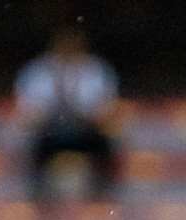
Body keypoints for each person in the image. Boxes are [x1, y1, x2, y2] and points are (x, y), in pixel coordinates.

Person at [14, 25, 119, 202]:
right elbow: (29, 111)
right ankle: (39, 191)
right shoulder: (38, 71)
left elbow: (105, 109)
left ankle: (102, 190)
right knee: (35, 141)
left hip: (86, 130)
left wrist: (87, 115)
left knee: (105, 141)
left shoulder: (96, 69)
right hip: (51, 130)